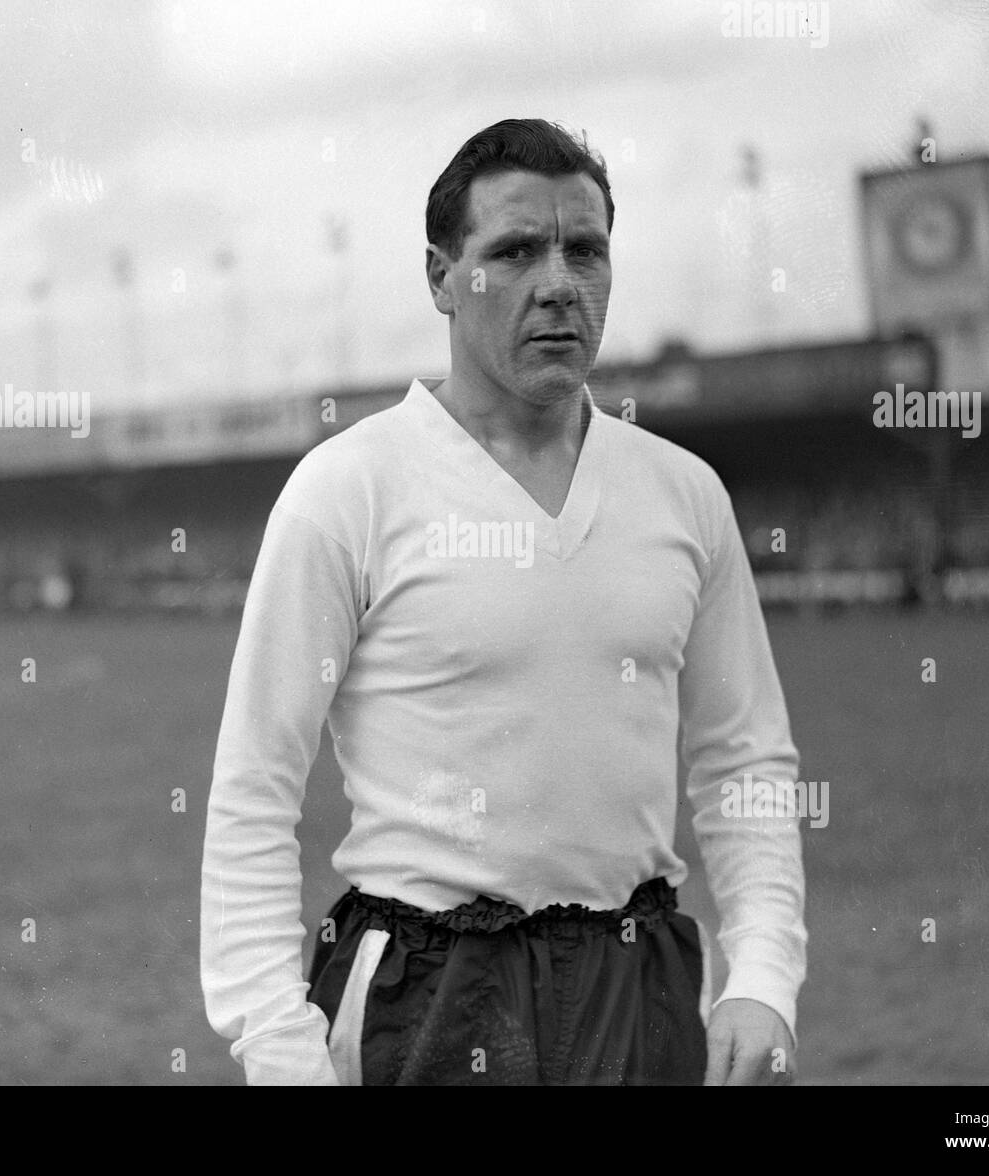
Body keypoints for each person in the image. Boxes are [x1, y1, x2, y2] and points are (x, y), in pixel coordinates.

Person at [200, 118, 806, 1085]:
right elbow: (255, 784)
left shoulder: (684, 492)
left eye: (587, 250)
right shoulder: (348, 490)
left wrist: (765, 970)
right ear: (442, 277)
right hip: (429, 993)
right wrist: (276, 1042)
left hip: (637, 977)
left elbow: (745, 755)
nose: (560, 281)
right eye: (516, 250)